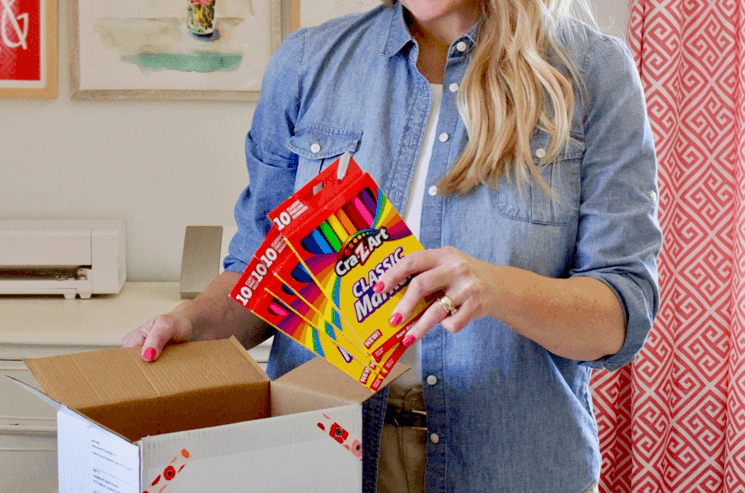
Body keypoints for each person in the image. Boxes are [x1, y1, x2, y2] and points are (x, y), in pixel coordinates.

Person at [122, 0, 662, 491]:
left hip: (513, 468)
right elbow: (258, 277)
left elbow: (619, 317)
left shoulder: (593, 73)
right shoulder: (307, 65)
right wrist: (193, 321)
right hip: (323, 460)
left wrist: (498, 288)